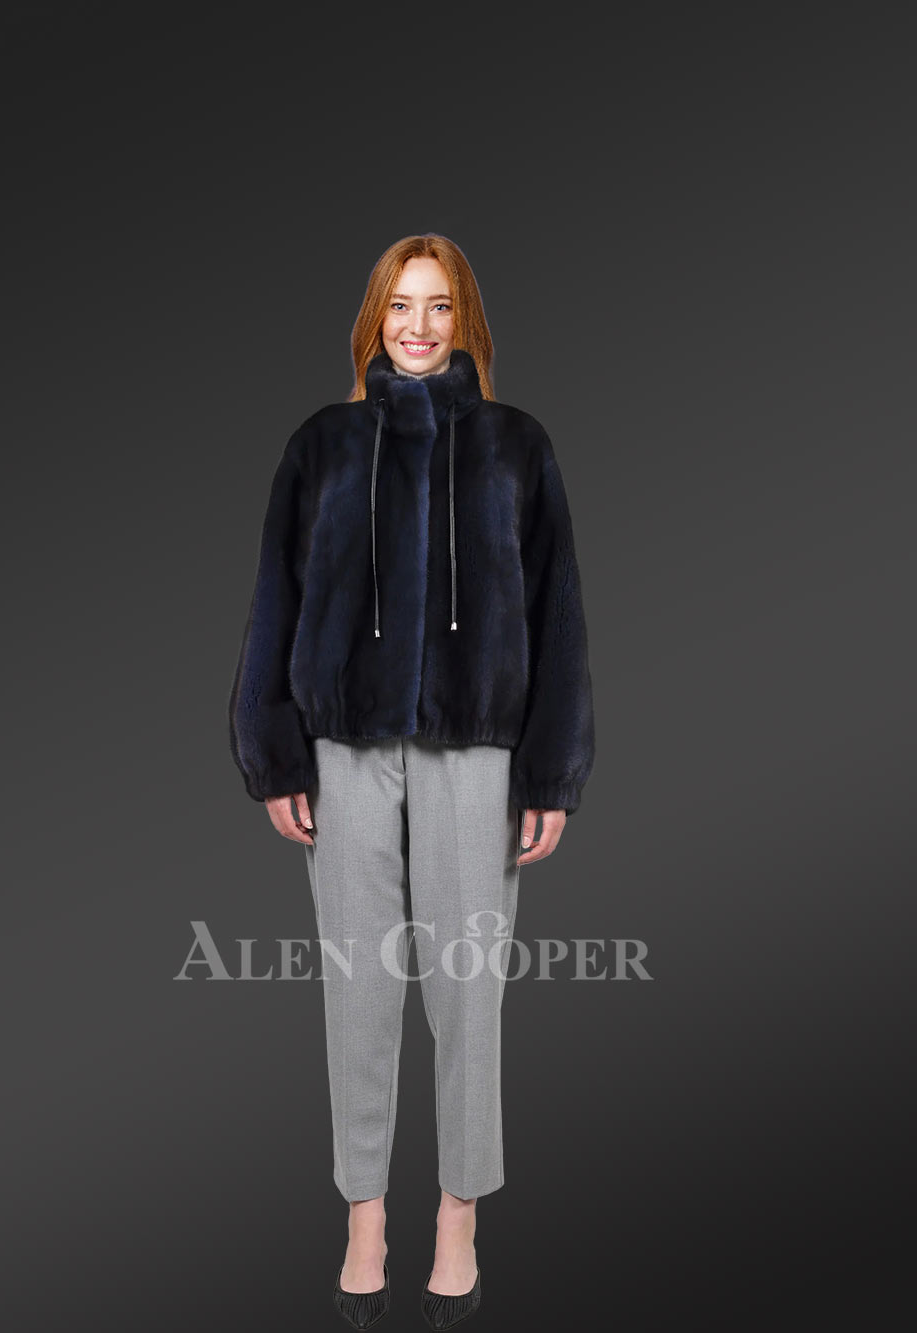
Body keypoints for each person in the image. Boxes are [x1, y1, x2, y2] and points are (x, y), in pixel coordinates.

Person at [228, 233, 595, 1329]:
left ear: (465, 320)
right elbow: (274, 598)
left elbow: (558, 611)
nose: (419, 326)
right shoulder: (323, 444)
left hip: (476, 749)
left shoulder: (518, 445)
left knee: (468, 990)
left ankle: (458, 1215)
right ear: (373, 320)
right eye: (400, 304)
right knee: (359, 987)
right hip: (344, 746)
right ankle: (363, 1215)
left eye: (439, 306)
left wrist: (551, 770)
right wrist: (273, 751)